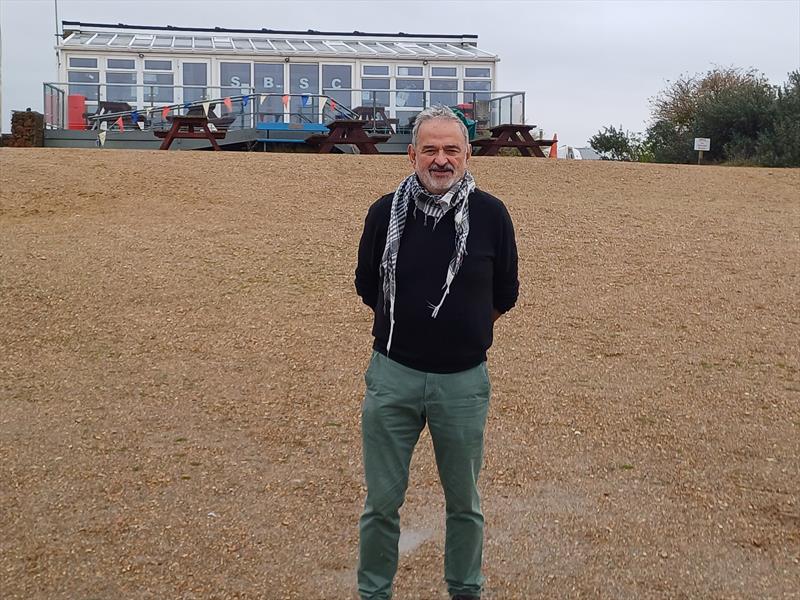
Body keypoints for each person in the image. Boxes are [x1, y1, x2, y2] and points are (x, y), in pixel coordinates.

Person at [354, 105, 519, 600]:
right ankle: (374, 592)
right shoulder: (384, 212)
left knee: (464, 501)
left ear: (468, 154)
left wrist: (462, 333)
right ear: (411, 155)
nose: (441, 159)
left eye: (452, 149)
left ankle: (465, 590)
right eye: (430, 149)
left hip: (463, 383)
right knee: (381, 503)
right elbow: (368, 286)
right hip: (393, 376)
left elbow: (504, 294)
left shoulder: (492, 215)